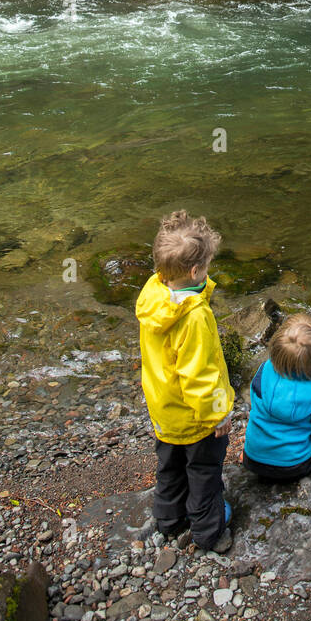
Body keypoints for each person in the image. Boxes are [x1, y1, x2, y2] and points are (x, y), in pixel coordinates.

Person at [135, 210, 234, 552]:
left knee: (169, 466)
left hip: (163, 411)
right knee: (204, 470)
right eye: (205, 267)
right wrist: (217, 415)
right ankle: (209, 531)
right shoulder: (195, 316)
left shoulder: (152, 297)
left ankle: (168, 520)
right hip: (196, 419)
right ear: (195, 271)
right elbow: (200, 376)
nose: (207, 272)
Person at [242, 313, 311, 481]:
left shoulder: (263, 370)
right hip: (293, 465)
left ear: (275, 349)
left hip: (253, 459)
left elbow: (255, 406)